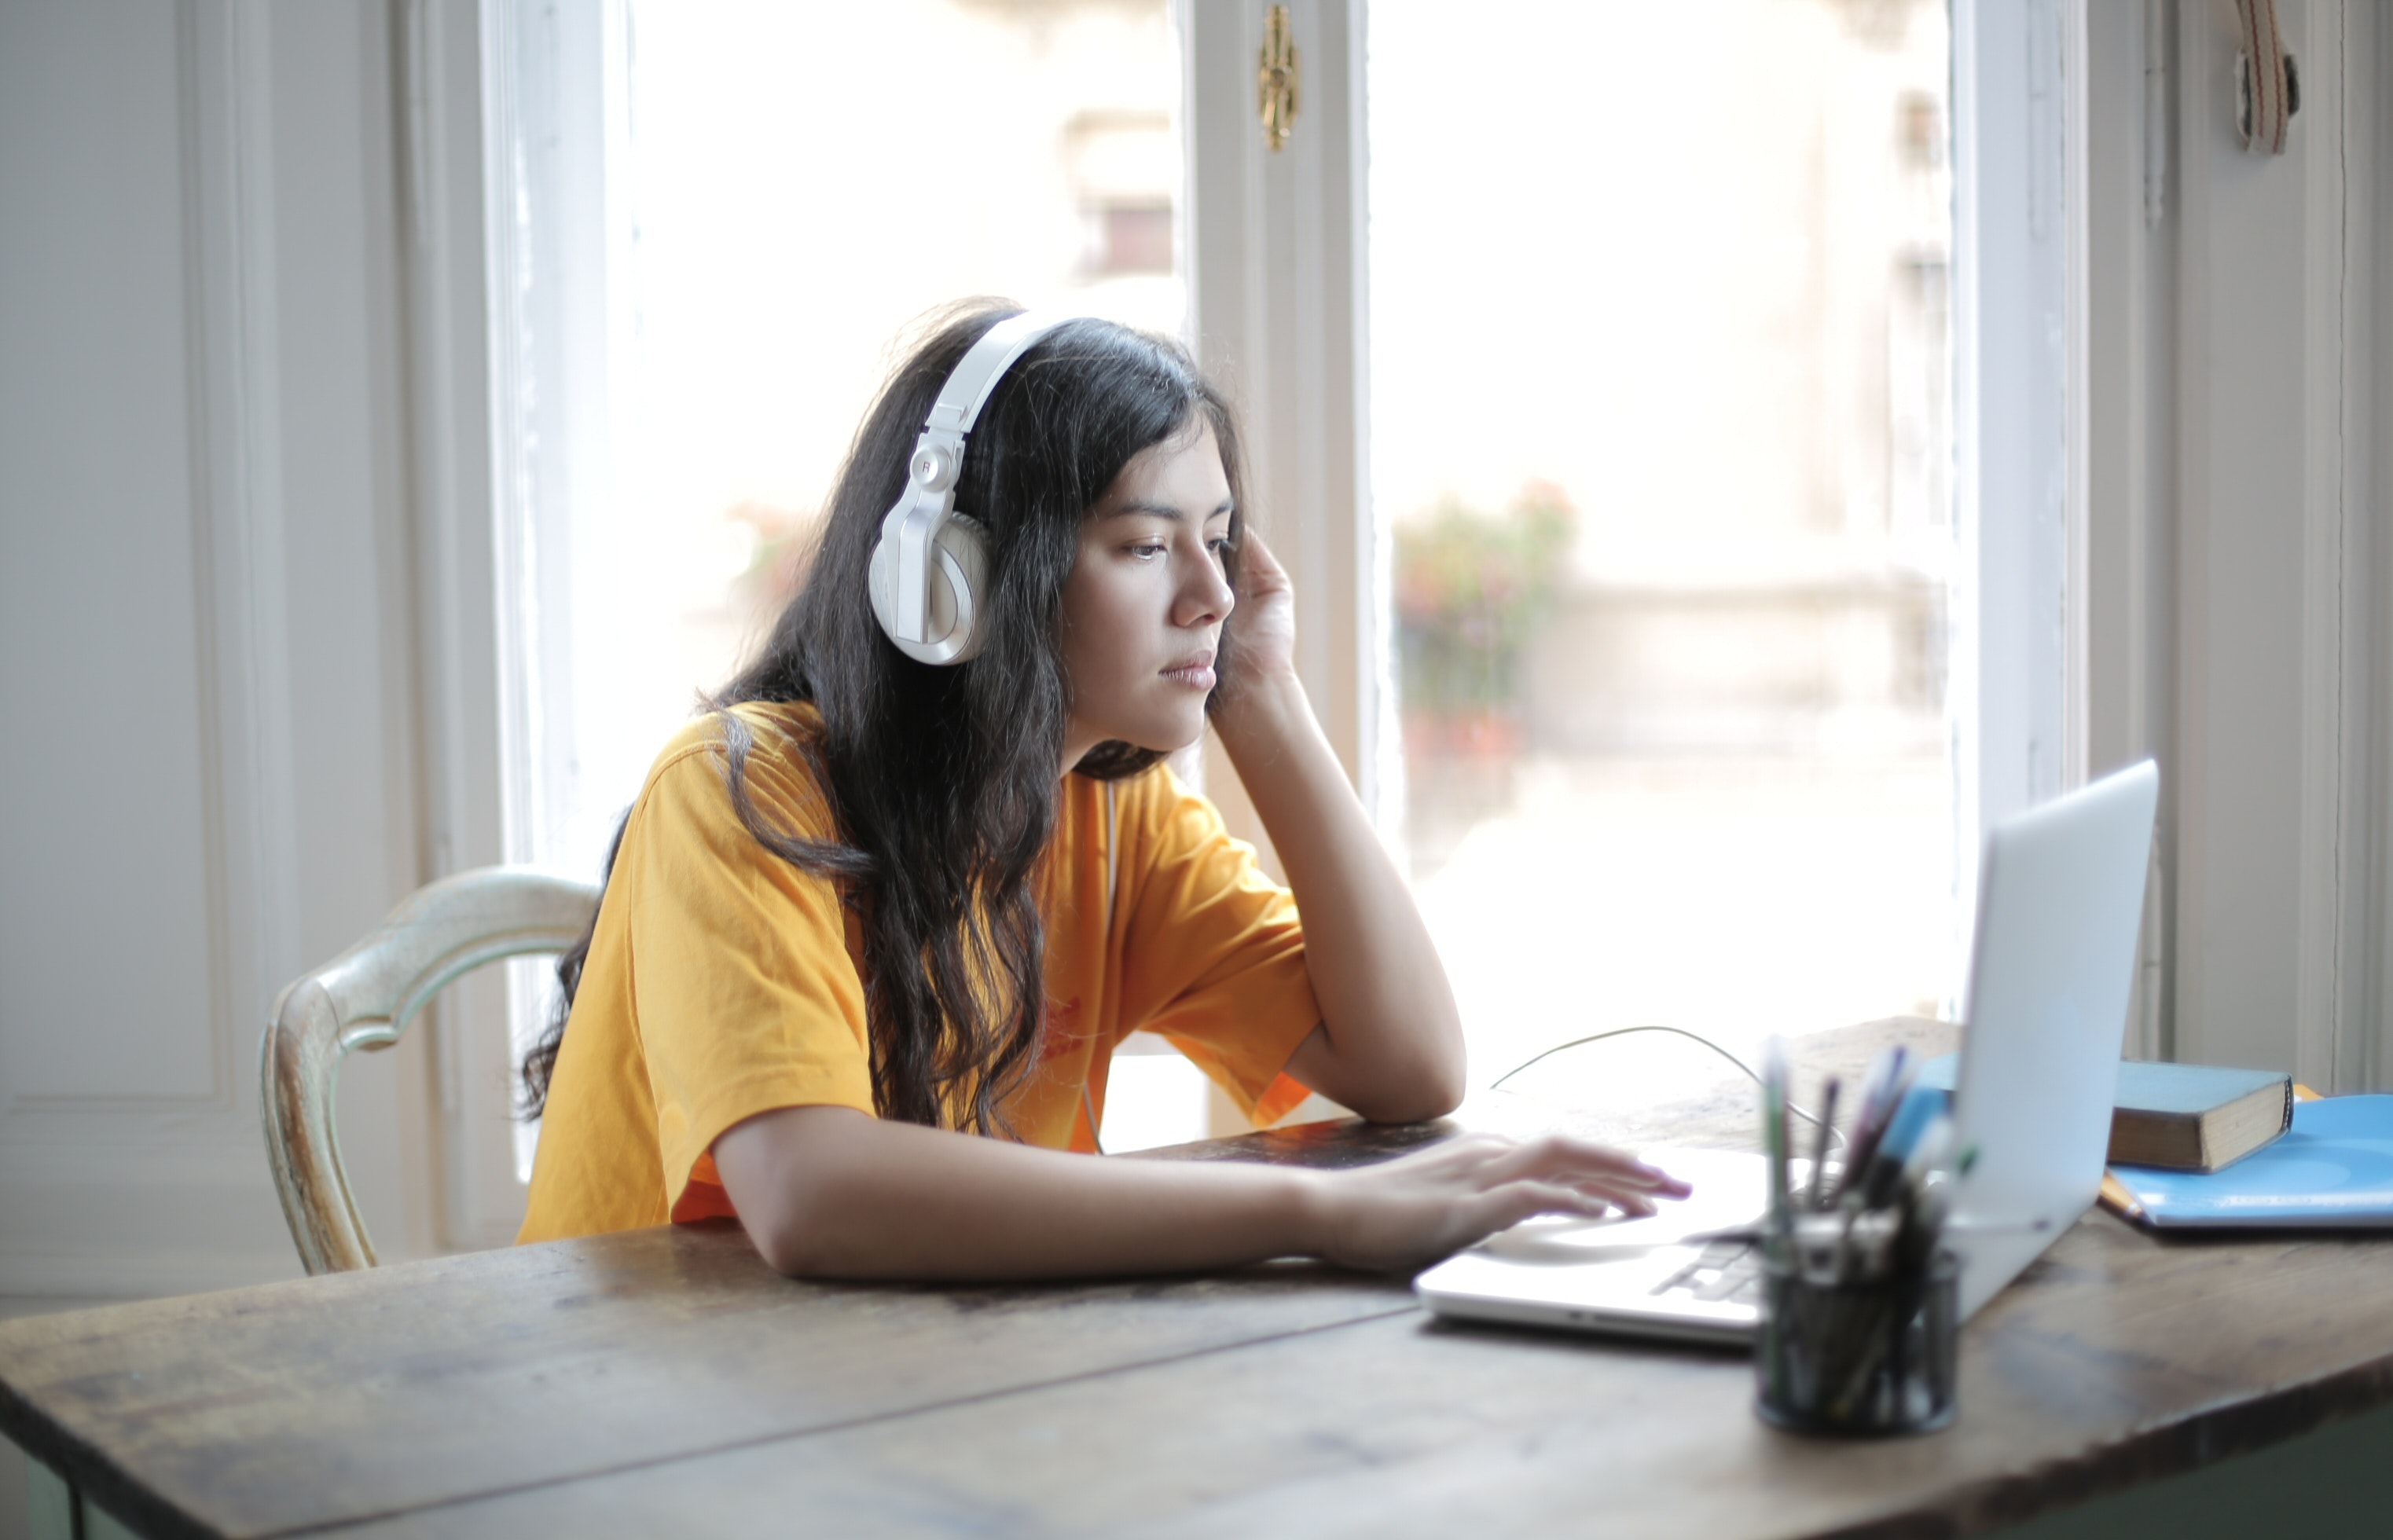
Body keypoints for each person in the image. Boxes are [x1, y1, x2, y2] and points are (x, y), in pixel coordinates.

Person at [516, 304, 1687, 1279]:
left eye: (1220, 541)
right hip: (643, 1428)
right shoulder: (741, 791)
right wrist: (1309, 1216)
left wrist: (1263, 703)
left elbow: (1406, 1064)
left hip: (902, 1395)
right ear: (955, 579)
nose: (1212, 595)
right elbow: (811, 1193)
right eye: (1143, 545)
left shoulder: (1110, 814)